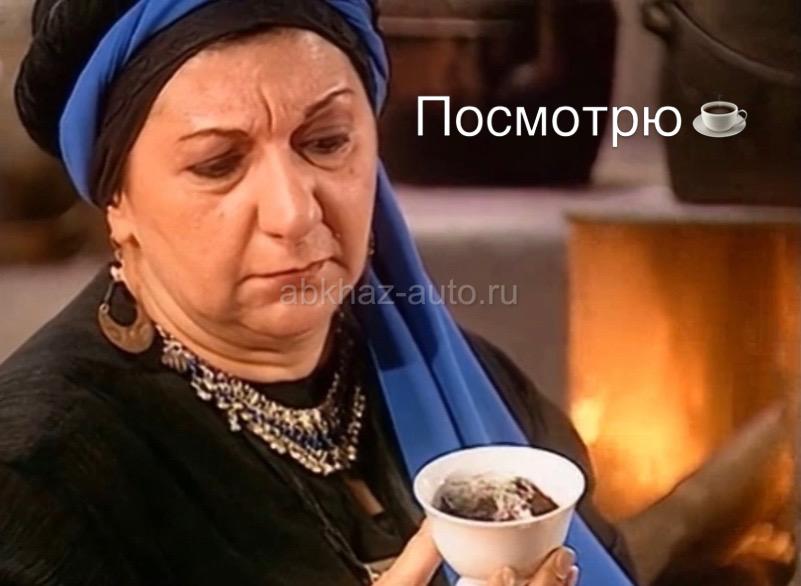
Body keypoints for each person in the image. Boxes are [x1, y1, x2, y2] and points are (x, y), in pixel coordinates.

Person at [0, 1, 636, 584]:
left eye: (327, 142)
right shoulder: (38, 478)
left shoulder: (482, 394)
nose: (294, 213)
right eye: (218, 164)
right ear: (117, 201)